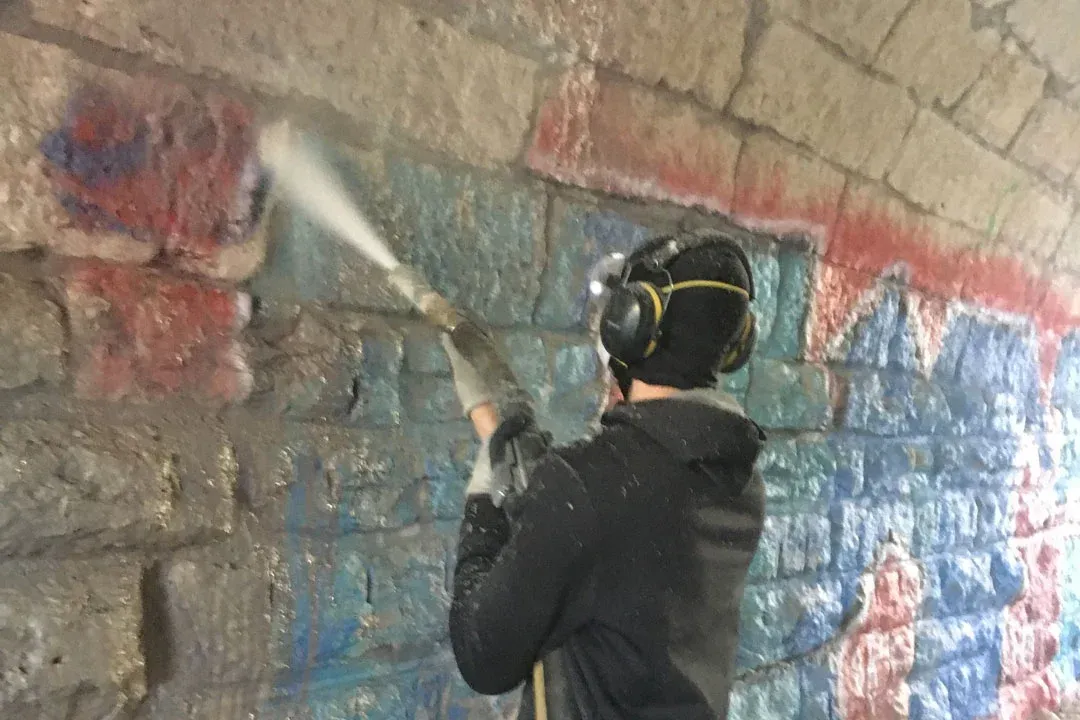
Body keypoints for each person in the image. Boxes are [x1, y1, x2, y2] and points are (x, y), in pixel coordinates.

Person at [442, 229, 768, 719]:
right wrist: (550, 491)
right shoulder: (738, 476)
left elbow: (482, 654)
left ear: (631, 325)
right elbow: (622, 550)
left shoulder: (588, 487)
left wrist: (488, 494)